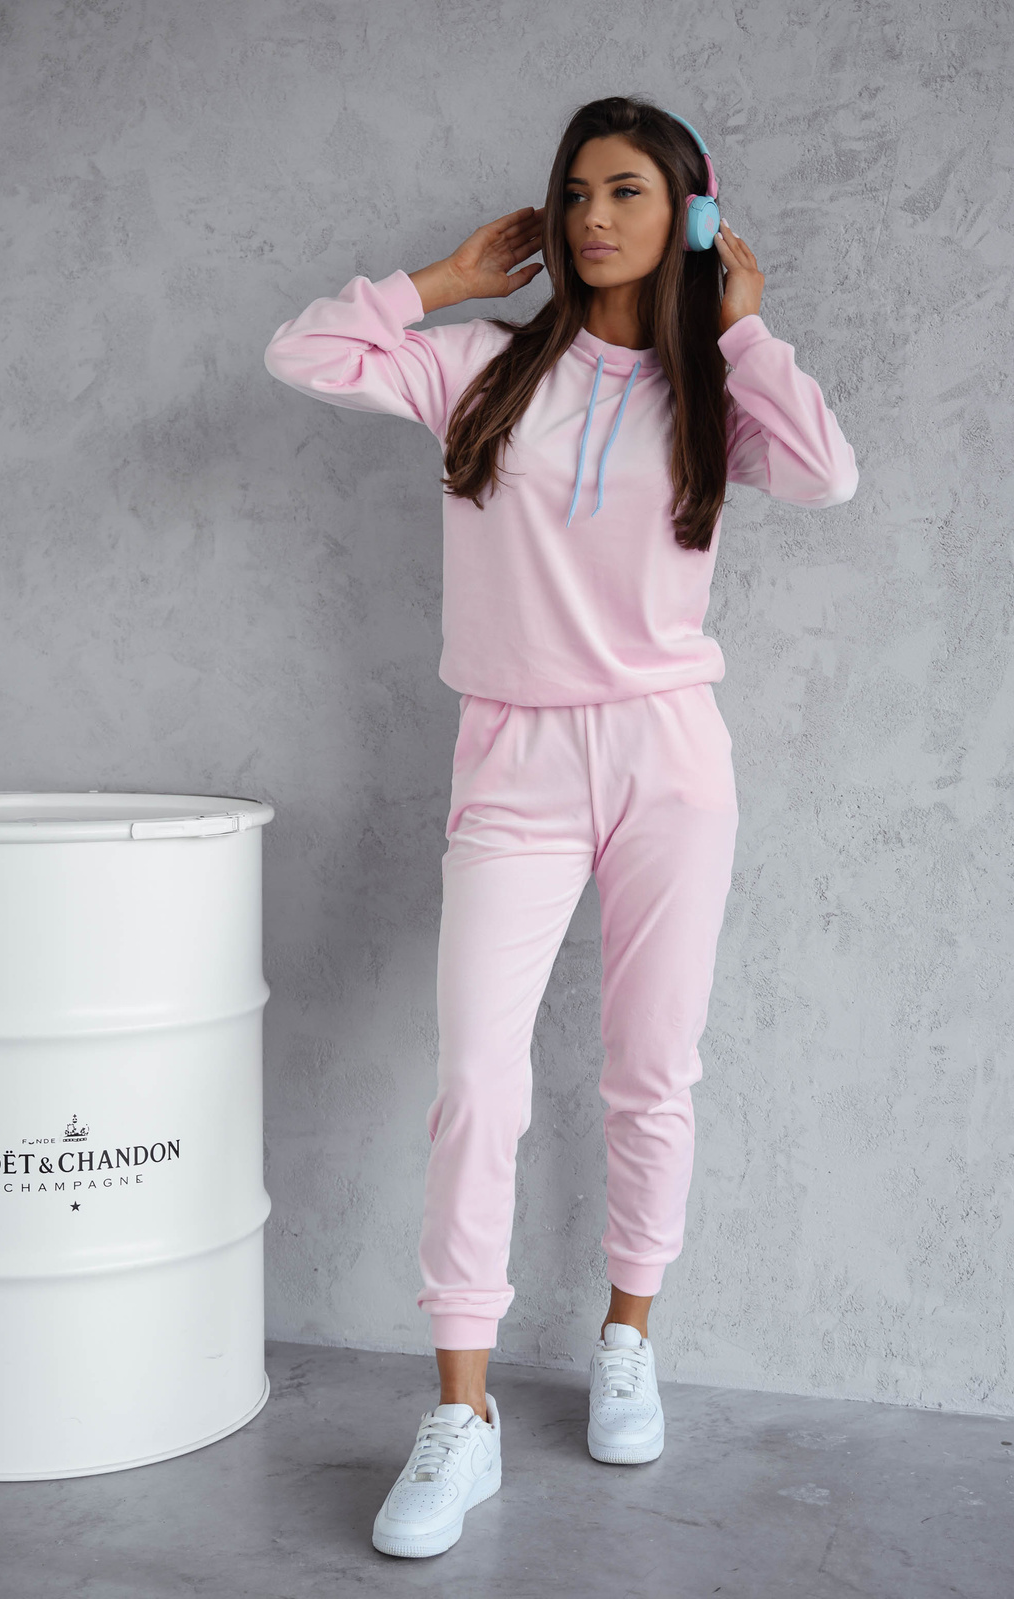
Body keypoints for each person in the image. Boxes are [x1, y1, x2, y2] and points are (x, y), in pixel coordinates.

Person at [264, 93, 858, 1559]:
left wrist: (737, 327)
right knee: (478, 1081)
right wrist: (443, 280)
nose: (594, 217)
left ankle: (628, 1339)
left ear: (690, 214)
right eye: (578, 191)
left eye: (630, 192)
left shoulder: (708, 393)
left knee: (653, 1072)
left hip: (669, 755)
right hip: (513, 759)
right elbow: (305, 353)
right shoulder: (480, 370)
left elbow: (827, 470)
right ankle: (460, 1418)